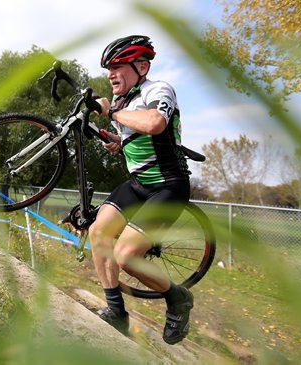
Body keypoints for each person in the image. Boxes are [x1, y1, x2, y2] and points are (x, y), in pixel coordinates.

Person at [89, 35, 193, 345]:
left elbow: (155, 124)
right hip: (138, 183)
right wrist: (116, 142)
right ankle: (116, 313)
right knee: (98, 234)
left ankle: (178, 299)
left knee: (125, 256)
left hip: (168, 185)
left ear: (142, 66)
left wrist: (110, 113)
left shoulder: (158, 90)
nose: (111, 74)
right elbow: (134, 138)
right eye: (109, 69)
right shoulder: (123, 100)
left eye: (117, 67)